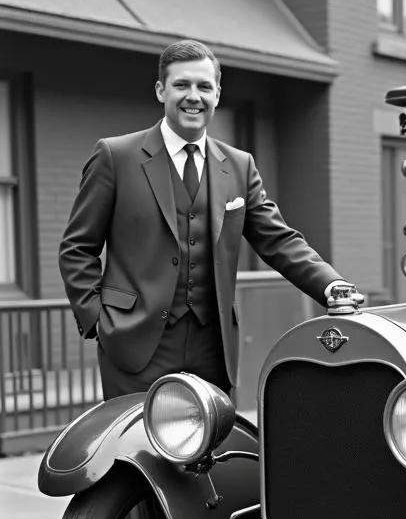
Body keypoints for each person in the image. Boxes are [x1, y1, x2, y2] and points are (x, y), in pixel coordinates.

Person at [59, 38, 349, 399]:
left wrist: (331, 285)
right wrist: (98, 321)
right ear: (161, 90)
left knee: (211, 453)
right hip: (134, 344)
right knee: (135, 451)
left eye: (203, 86)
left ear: (217, 94)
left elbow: (278, 239)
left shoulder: (239, 165)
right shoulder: (115, 156)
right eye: (181, 85)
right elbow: (77, 248)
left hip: (213, 349)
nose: (193, 96)